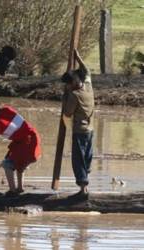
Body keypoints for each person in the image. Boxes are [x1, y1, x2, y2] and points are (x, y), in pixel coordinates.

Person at [61, 49, 94, 199]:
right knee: (87, 157)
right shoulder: (88, 85)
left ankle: (82, 190)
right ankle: (85, 187)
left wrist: (66, 96)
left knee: (78, 159)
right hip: (90, 130)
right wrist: (78, 57)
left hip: (80, 131)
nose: (67, 87)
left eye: (67, 85)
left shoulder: (74, 95)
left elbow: (67, 113)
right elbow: (86, 71)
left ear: (72, 83)